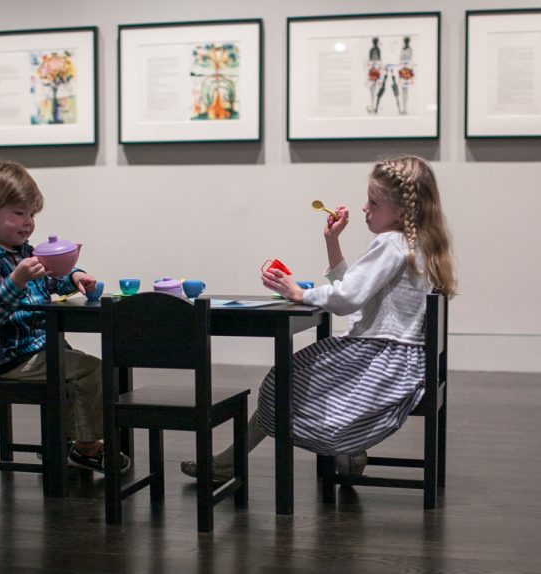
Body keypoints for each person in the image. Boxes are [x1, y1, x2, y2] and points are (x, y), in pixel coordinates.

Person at [182, 155, 456, 482]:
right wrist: (333, 242)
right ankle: (341, 452)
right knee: (287, 381)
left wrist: (299, 293)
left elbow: (348, 298)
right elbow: (360, 287)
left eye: (373, 202)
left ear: (401, 211)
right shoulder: (414, 243)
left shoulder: (390, 242)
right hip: (401, 362)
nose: (365, 208)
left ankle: (341, 447)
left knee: (282, 382)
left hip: (381, 360)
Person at [0, 160, 130, 473]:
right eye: (18, 213)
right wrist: (17, 281)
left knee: (98, 368)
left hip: (45, 351)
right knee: (89, 371)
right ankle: (86, 449)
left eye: (31, 214)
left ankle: (63, 441)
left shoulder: (25, 253)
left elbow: (53, 279)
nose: (28, 223)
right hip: (14, 360)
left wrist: (75, 277)